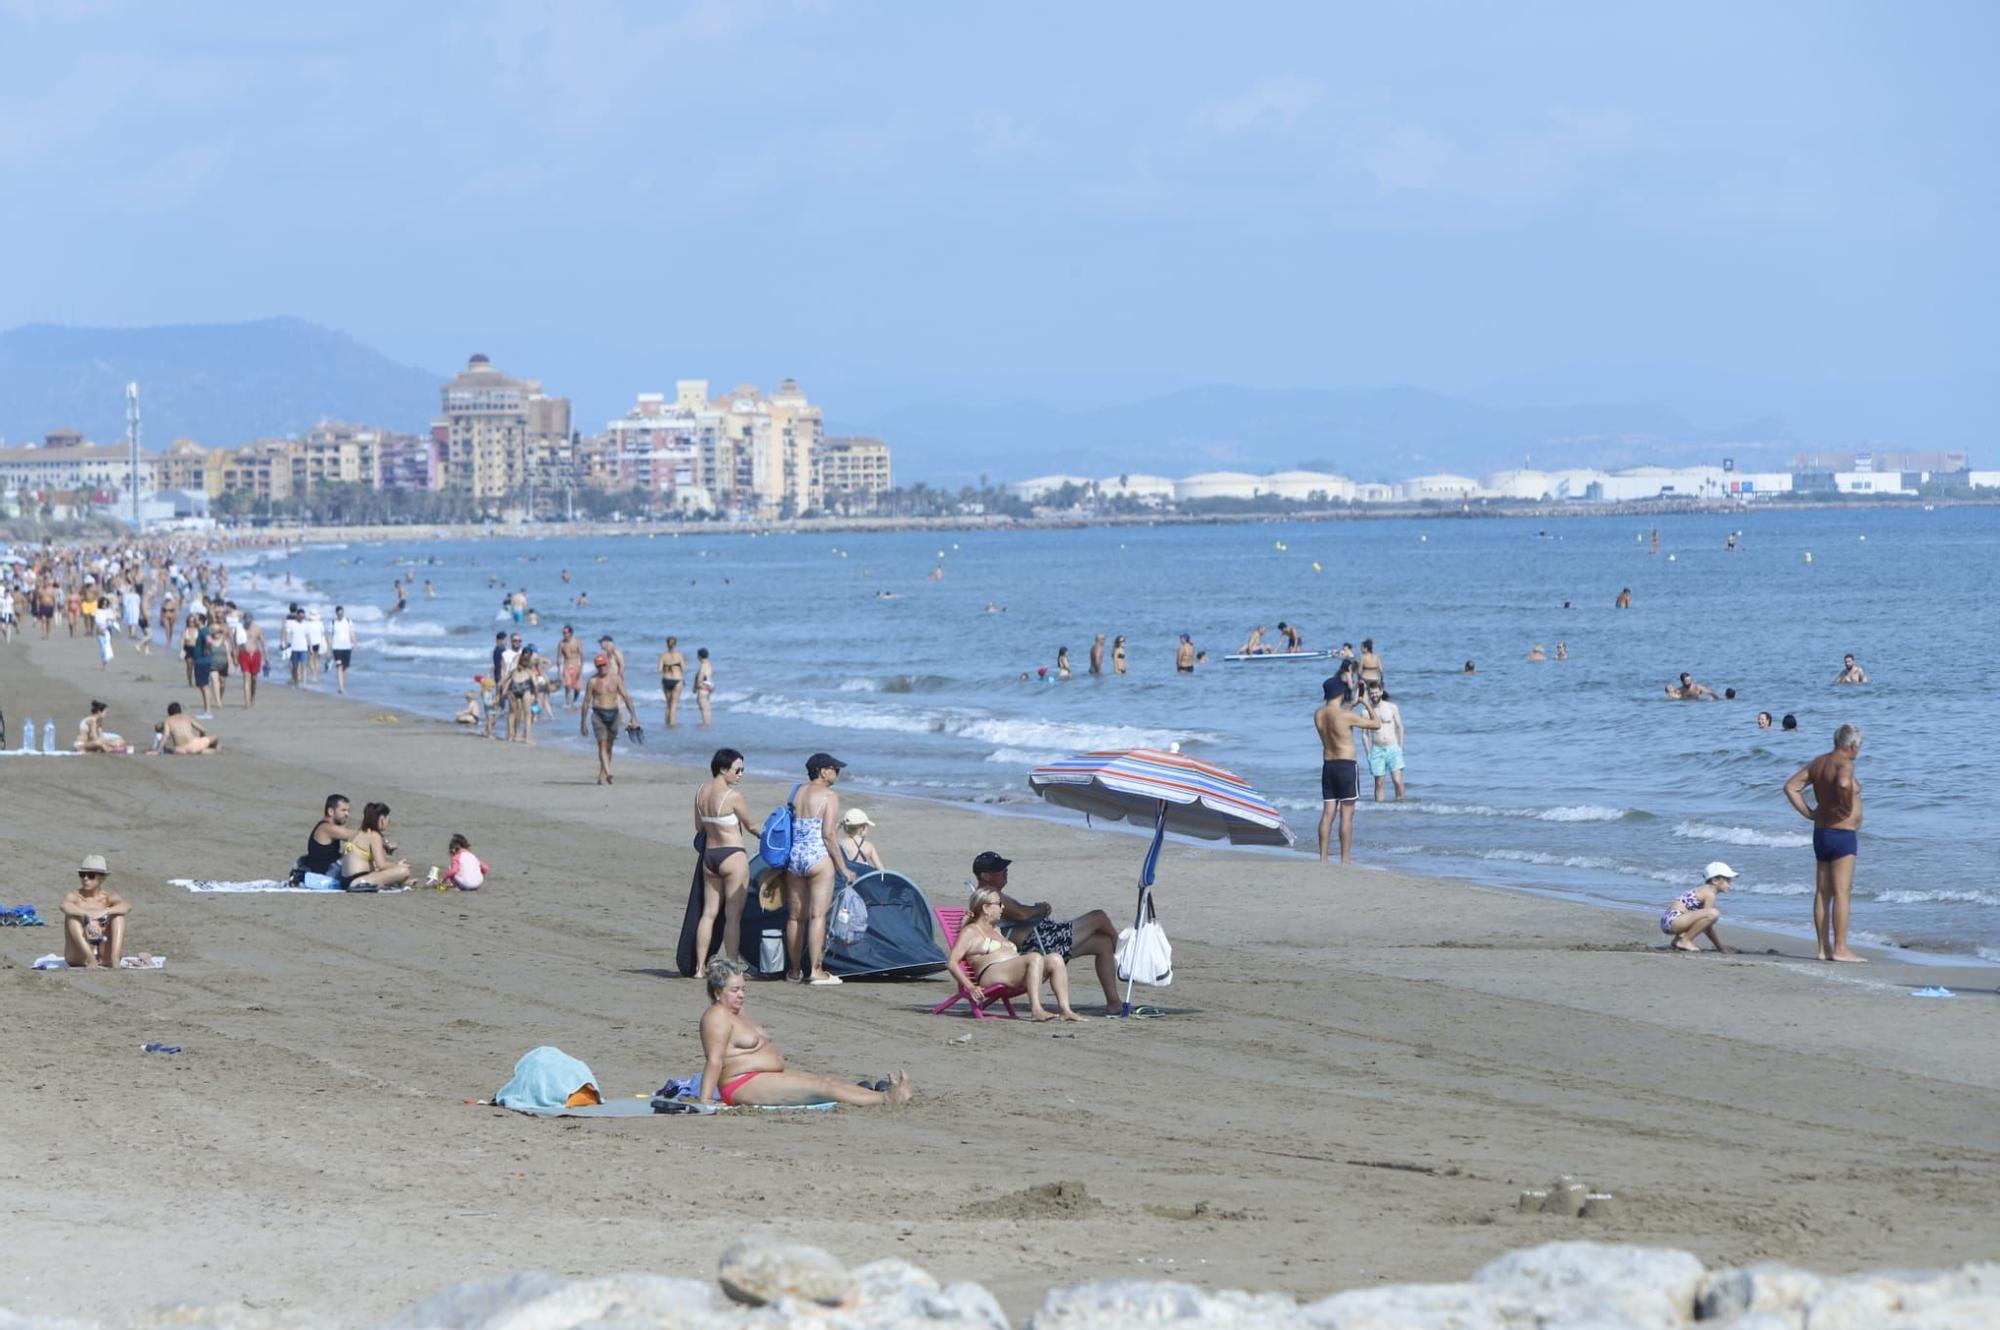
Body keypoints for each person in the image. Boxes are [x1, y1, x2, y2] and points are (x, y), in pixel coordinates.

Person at [697, 958, 912, 1106]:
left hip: (765, 1075)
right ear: (717, 992)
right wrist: (705, 1100)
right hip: (741, 1084)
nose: (741, 995)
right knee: (822, 1087)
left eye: (743, 989)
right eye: (734, 990)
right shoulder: (716, 1016)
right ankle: (886, 1099)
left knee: (827, 1080)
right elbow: (714, 1060)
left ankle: (877, 1094)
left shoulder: (737, 1012)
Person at [971, 850, 1121, 1014]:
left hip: (1044, 938)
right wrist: (1040, 909)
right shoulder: (989, 898)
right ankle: (1123, 957)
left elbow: (1020, 914)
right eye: (999, 870)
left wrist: (1036, 911)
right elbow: (1022, 914)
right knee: (1098, 917)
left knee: (1102, 944)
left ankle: (1114, 1003)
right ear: (985, 876)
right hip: (1039, 943)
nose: (1005, 872)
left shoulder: (993, 895)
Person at [1783, 724, 1865, 963]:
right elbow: (1842, 783)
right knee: (1842, 892)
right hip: (1842, 835)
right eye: (1859, 746)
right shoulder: (1845, 764)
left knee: (1823, 892)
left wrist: (1809, 813)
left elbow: (1791, 786)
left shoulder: (1819, 763)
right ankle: (1840, 949)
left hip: (1822, 832)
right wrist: (1847, 805)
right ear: (1852, 745)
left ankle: (1823, 949)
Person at [946, 885, 1082, 1021]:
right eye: (999, 904)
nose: (1003, 907)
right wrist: (970, 986)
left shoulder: (996, 930)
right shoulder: (971, 931)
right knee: (1034, 958)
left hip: (1012, 973)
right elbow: (952, 963)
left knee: (1056, 959)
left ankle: (1065, 1010)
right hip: (990, 974)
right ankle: (1036, 1009)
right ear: (985, 908)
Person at [783, 753, 847, 985]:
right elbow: (829, 835)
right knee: (817, 915)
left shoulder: (796, 791)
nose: (837, 773)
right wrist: (843, 868)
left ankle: (794, 970)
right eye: (834, 769)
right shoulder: (829, 796)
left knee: (795, 918)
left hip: (795, 857)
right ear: (822, 771)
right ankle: (815, 970)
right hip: (817, 858)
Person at [692, 748, 761, 966]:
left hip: (710, 856)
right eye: (737, 770)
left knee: (709, 913)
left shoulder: (701, 791)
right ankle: (731, 962)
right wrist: (770, 837)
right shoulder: (733, 796)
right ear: (723, 769)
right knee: (733, 916)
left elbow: (699, 826)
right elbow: (751, 826)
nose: (740, 774)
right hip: (732, 855)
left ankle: (700, 967)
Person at [1314, 677, 1381, 864]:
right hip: (1346, 766)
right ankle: (1345, 859)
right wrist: (1366, 703)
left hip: (1328, 765)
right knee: (1347, 813)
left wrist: (1351, 705)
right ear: (1341, 693)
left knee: (1328, 813)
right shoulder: (1346, 716)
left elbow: (1339, 723)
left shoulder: (1318, 714)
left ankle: (1323, 858)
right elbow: (1376, 724)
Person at [61, 855, 131, 968]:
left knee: (119, 917)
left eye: (91, 876)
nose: (85, 879)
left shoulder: (107, 897)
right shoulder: (75, 896)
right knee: (72, 918)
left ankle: (114, 957)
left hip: (104, 953)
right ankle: (91, 959)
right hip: (79, 957)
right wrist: (87, 917)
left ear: (102, 878)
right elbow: (64, 906)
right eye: (82, 875)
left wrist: (106, 911)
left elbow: (127, 906)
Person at [1660, 863, 1737, 954]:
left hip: (1670, 920)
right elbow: (1707, 926)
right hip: (1674, 920)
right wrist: (1720, 946)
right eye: (1727, 880)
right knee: (1713, 914)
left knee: (1708, 915)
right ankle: (1684, 941)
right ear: (1715, 880)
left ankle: (1679, 939)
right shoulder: (1709, 894)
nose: (1730, 884)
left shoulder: (1703, 889)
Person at [584, 653, 637, 784]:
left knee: (609, 746)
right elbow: (586, 701)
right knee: (602, 744)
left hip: (613, 714)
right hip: (598, 714)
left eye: (603, 665)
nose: (602, 668)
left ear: (607, 664)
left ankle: (602, 774)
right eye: (599, 666)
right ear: (596, 667)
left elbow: (626, 697)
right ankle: (609, 772)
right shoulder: (592, 681)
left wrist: (633, 716)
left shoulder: (616, 679)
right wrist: (582, 723)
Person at [341, 801, 412, 891]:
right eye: (388, 819)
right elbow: (381, 865)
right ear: (382, 818)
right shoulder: (374, 835)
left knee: (392, 873)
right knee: (404, 871)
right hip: (357, 881)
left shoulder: (356, 833)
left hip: (344, 881)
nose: (389, 822)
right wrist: (397, 866)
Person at [1362, 683, 1405, 801]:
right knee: (1379, 783)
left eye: (1376, 692)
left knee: (1397, 781)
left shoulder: (1392, 707)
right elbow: (1365, 735)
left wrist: (1400, 747)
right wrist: (1368, 753)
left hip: (1393, 748)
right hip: (1377, 749)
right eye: (1371, 693)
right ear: (1369, 694)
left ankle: (1401, 806)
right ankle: (1379, 809)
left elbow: (1400, 727)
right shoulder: (1366, 712)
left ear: (1381, 692)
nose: (1374, 695)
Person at [191, 613, 221, 717]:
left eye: (195, 619)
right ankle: (206, 710)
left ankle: (208, 711)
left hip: (203, 662)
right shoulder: (201, 631)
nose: (193, 621)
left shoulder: (203, 630)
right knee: (201, 686)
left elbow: (209, 640)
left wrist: (209, 647)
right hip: (200, 661)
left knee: (204, 686)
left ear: (200, 621)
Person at [838, 808, 885, 874]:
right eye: (867, 826)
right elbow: (882, 871)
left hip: (847, 880)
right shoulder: (869, 846)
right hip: (863, 881)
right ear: (862, 828)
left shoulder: (841, 844)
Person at [237, 613, 266, 707]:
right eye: (246, 619)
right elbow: (235, 643)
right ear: (244, 619)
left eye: (249, 619)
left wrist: (267, 657)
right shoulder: (240, 629)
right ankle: (246, 701)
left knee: (254, 678)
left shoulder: (257, 628)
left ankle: (252, 696)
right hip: (244, 654)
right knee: (246, 677)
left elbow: (263, 642)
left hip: (255, 654)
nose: (248, 621)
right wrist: (233, 656)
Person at [658, 635, 686, 726]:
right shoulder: (680, 655)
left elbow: (659, 669)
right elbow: (684, 668)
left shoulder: (663, 655)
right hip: (677, 679)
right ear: (675, 644)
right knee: (674, 705)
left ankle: (667, 723)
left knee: (668, 705)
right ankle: (672, 726)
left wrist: (667, 668)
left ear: (667, 644)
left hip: (666, 679)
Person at [329, 606, 358, 694]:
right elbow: (330, 636)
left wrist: (355, 643)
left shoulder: (348, 621)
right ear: (336, 614)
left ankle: (342, 684)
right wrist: (329, 647)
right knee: (339, 667)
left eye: (341, 613)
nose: (340, 615)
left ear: (343, 613)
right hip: (336, 648)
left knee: (345, 667)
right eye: (339, 613)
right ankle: (341, 687)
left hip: (347, 647)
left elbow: (352, 633)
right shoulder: (333, 623)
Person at [556, 625, 584, 710]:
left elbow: (582, 655)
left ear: (571, 633)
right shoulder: (561, 643)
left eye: (566, 633)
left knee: (577, 688)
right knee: (567, 685)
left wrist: (581, 667)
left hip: (576, 666)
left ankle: (574, 701)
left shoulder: (577, 642)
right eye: (563, 633)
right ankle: (568, 703)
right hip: (566, 665)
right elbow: (559, 657)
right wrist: (559, 670)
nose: (564, 634)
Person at [693, 647, 714, 725]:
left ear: (700, 656)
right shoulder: (709, 664)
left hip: (703, 686)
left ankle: (705, 724)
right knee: (707, 706)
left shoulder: (703, 665)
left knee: (703, 707)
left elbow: (700, 677)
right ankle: (709, 723)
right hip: (709, 686)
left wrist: (696, 687)